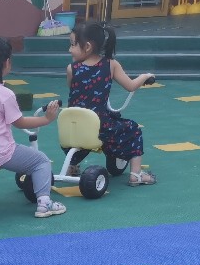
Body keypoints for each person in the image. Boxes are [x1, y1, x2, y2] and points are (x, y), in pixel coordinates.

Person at [0, 36, 67, 219]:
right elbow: (19, 122)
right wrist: (46, 119)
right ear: (6, 62)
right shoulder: (5, 94)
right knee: (41, 161)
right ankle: (44, 204)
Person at [67, 21, 156, 185]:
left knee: (82, 132)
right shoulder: (110, 65)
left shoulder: (71, 68)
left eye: (72, 45)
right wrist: (144, 76)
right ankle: (136, 175)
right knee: (133, 129)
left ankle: (72, 165)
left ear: (87, 47)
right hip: (100, 127)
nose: (69, 49)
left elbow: (76, 93)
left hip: (72, 125)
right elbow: (130, 86)